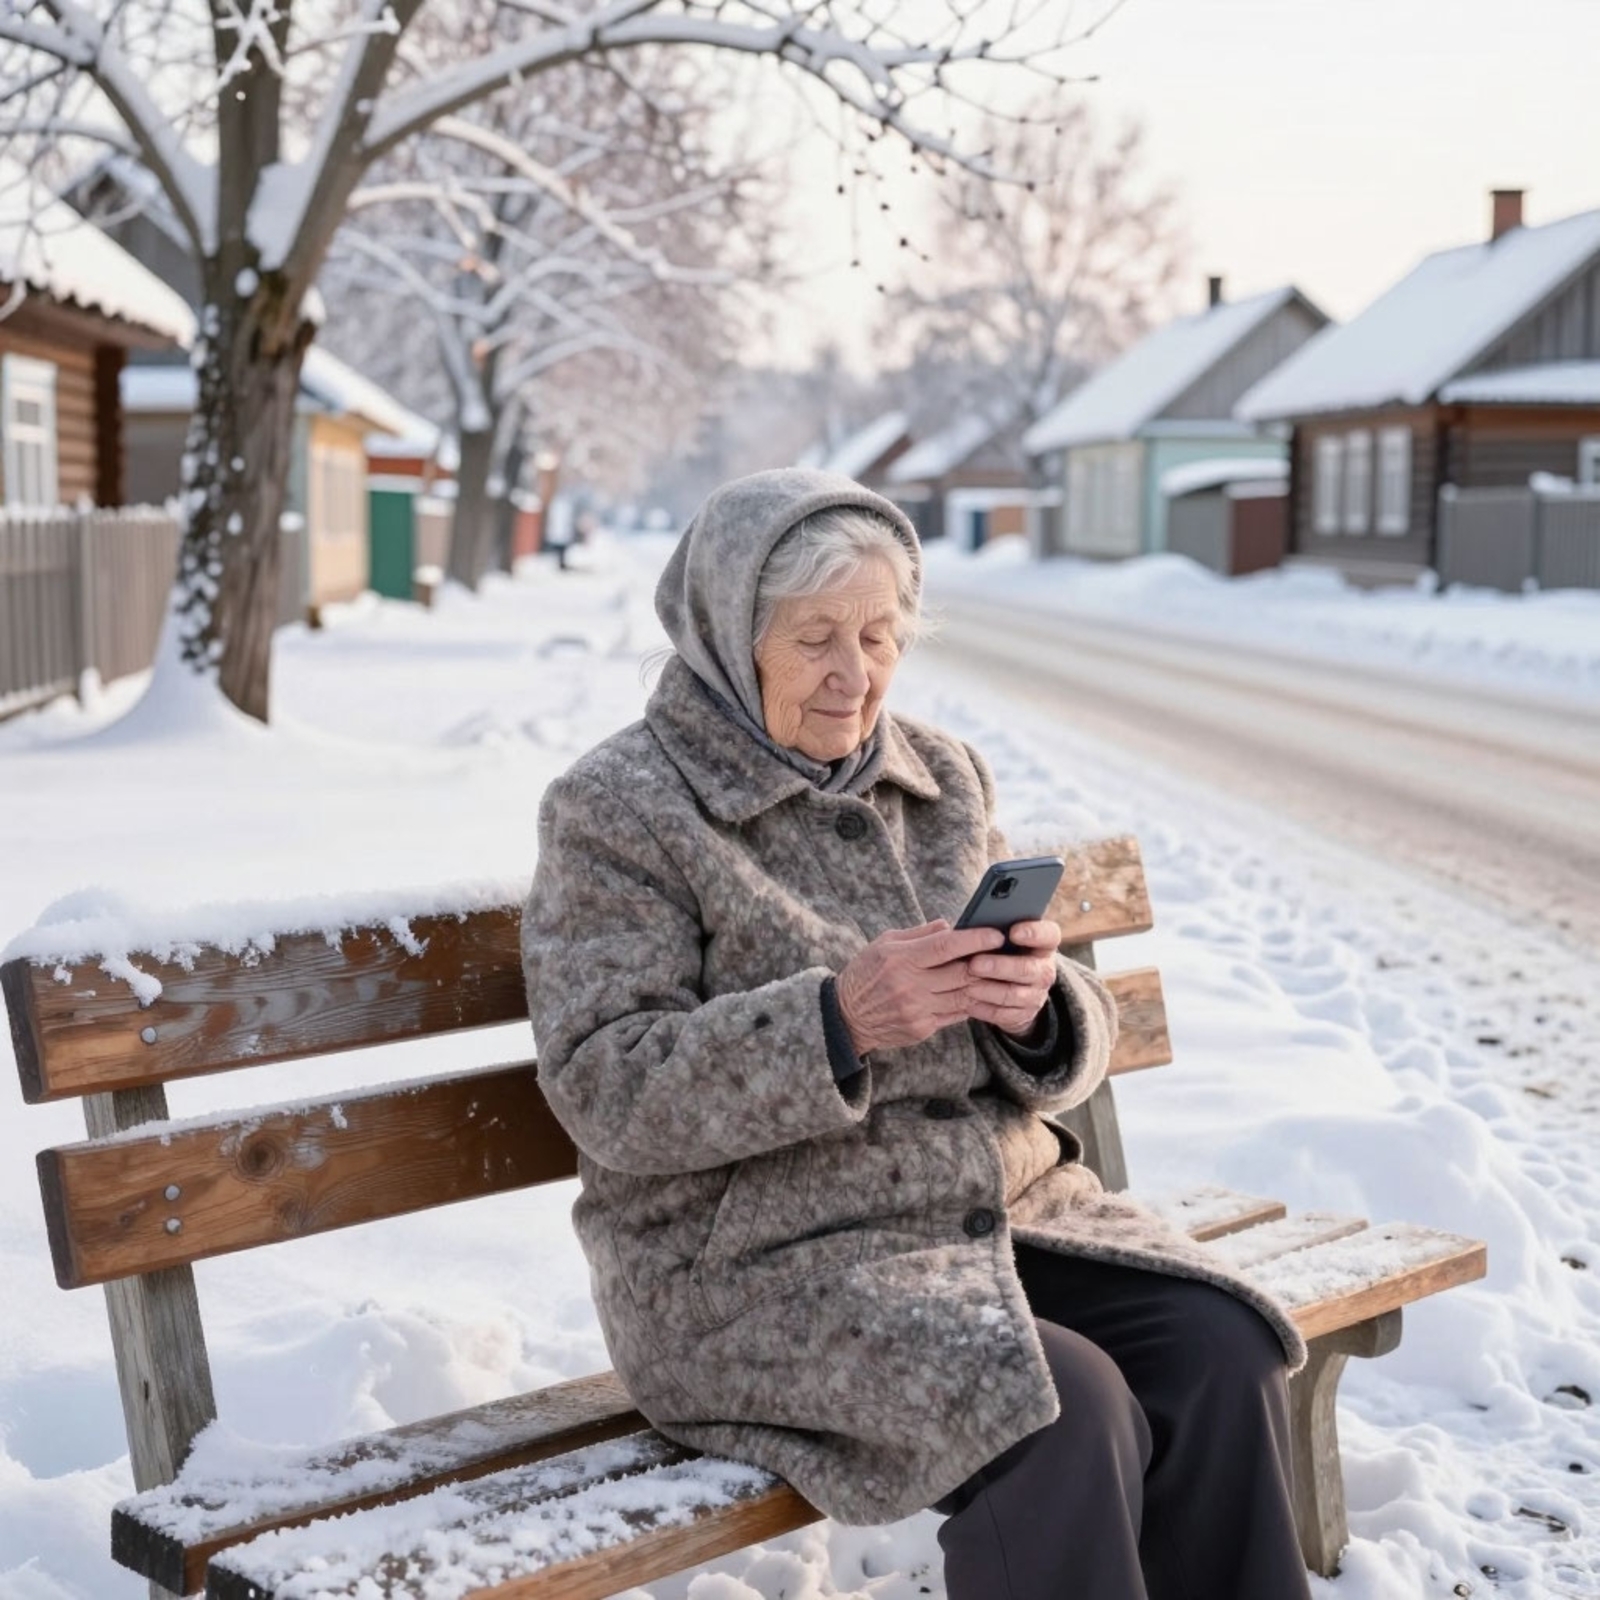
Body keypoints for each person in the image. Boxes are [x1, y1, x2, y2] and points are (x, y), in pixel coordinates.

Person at [522, 467, 1313, 1600]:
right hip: (754, 1274)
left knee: (1214, 1348)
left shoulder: (939, 775)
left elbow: (1044, 1053)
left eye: (881, 634)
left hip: (996, 1216)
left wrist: (1035, 1005)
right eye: (816, 639)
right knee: (1060, 1406)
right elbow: (605, 1085)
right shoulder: (623, 809)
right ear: (724, 635)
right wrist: (834, 1021)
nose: (858, 675)